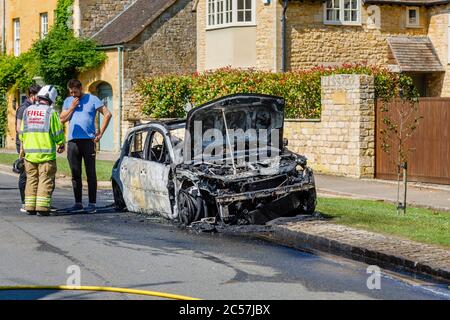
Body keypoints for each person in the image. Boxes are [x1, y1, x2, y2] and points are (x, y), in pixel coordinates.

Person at [60, 79, 112, 214]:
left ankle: (92, 204)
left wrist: (100, 132)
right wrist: (71, 107)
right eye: (71, 92)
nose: (73, 94)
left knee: (91, 173)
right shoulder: (68, 101)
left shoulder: (92, 99)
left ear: (80, 88)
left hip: (88, 142)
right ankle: (78, 203)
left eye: (75, 92)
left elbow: (107, 114)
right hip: (73, 142)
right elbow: (62, 119)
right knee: (75, 174)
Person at [19, 85, 66, 216]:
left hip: (29, 154)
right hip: (45, 155)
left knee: (31, 179)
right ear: (51, 99)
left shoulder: (27, 111)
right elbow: (57, 132)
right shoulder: (50, 113)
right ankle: (42, 207)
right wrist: (61, 143)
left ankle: (29, 206)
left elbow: (22, 132)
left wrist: (23, 147)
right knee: (45, 179)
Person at [15, 85, 41, 213]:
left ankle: (34, 202)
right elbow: (18, 128)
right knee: (25, 174)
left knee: (34, 174)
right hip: (24, 144)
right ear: (32, 95)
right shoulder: (23, 109)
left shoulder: (36, 108)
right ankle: (24, 202)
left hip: (34, 145)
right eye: (39, 95)